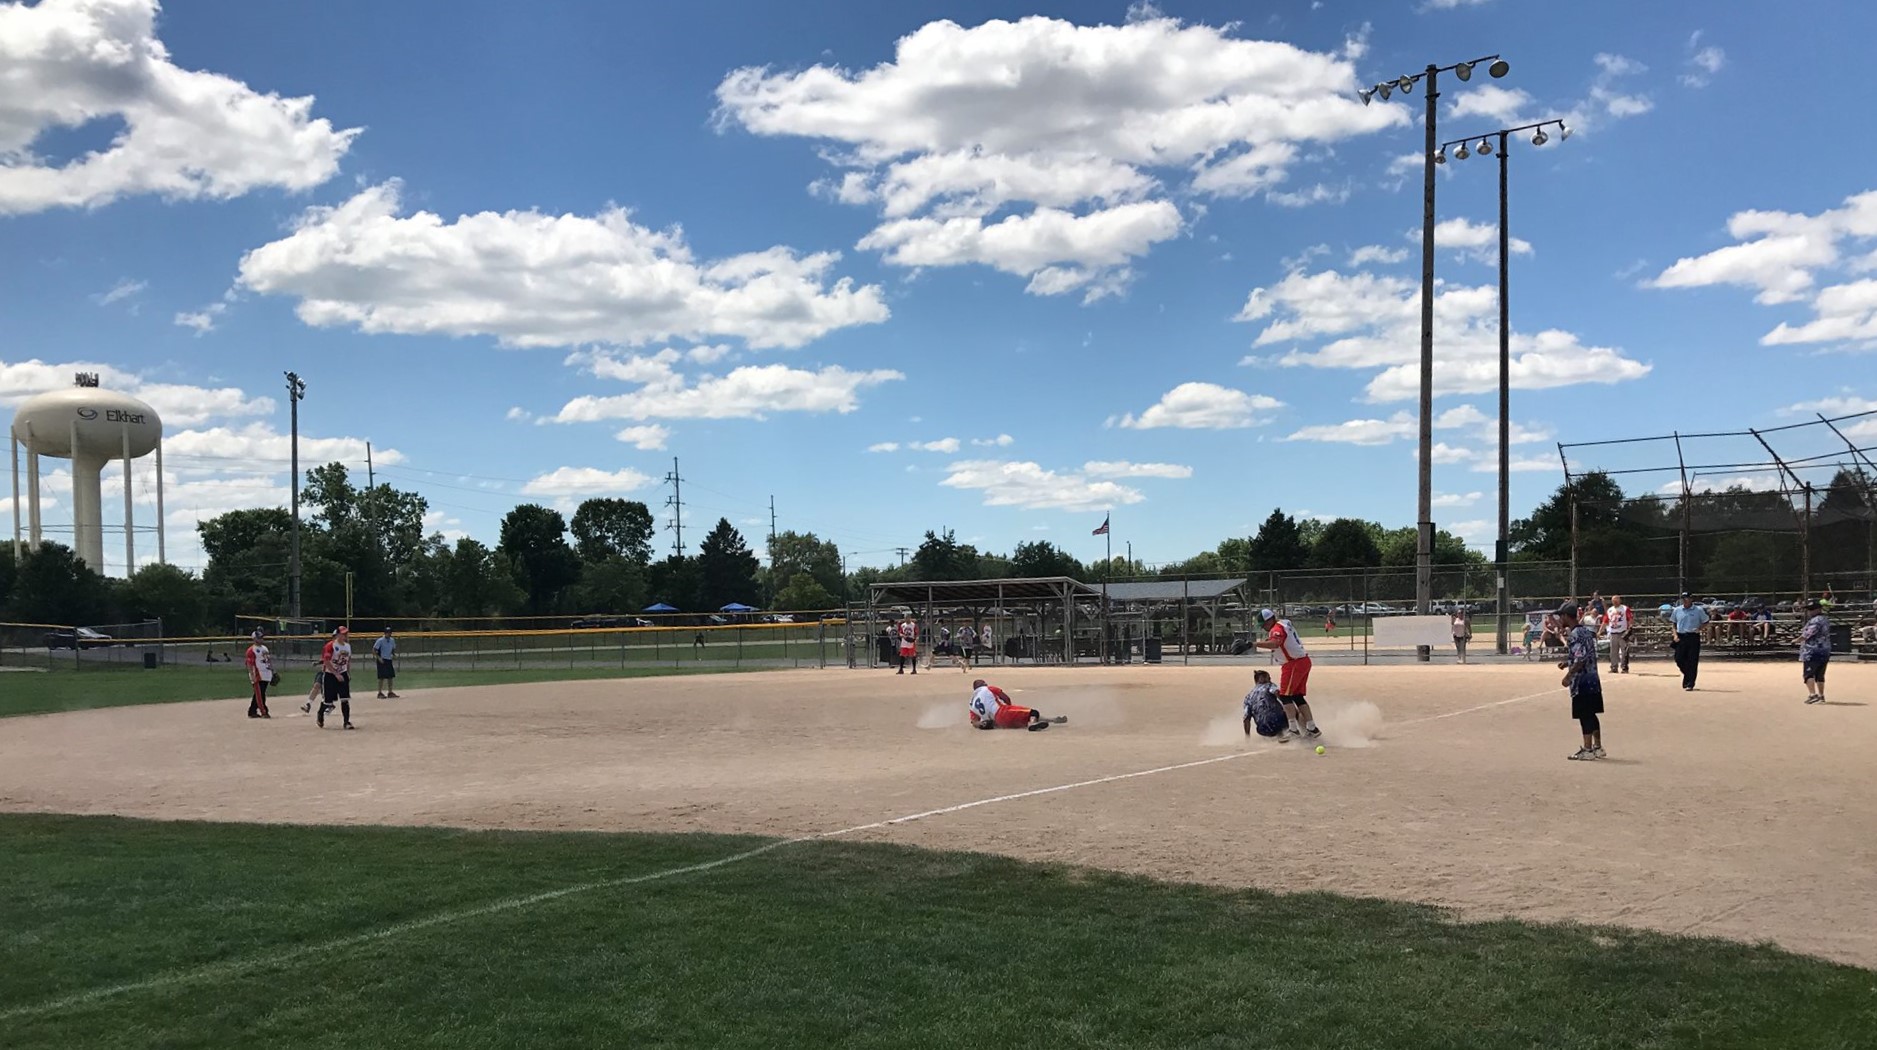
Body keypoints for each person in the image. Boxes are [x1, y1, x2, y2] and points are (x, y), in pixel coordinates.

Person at [1253, 608, 1319, 739]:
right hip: (1302, 661)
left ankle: (1293, 729)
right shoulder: (1284, 623)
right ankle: (1312, 728)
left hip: (1293, 663)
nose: (1264, 628)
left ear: (1271, 619)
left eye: (1264, 624)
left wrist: (1252, 644)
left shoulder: (1277, 628)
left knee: (1284, 696)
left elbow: (1275, 643)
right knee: (1297, 697)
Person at [1556, 603, 1606, 761]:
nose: (1560, 619)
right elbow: (1584, 654)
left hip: (1582, 681)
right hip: (1593, 679)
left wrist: (1568, 676)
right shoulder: (1585, 631)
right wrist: (1567, 662)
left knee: (1584, 715)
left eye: (1561, 616)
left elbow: (1580, 660)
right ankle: (1598, 747)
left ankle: (1587, 749)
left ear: (1565, 616)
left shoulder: (1575, 635)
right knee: (1592, 713)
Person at [968, 679, 1065, 731]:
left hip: (997, 723)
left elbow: (974, 722)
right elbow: (1005, 698)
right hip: (1002, 712)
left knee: (1024, 716)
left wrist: (981, 724)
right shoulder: (988, 688)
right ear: (984, 684)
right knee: (1033, 712)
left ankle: (1053, 720)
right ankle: (1032, 724)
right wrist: (1009, 707)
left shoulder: (971, 703)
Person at [315, 626, 356, 730]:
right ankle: (320, 714)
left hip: (343, 673)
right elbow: (326, 661)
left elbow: (348, 660)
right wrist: (336, 674)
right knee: (328, 701)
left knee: (345, 699)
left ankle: (346, 722)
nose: (345, 635)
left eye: (346, 633)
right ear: (337, 635)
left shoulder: (348, 646)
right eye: (343, 634)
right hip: (330, 675)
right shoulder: (331, 646)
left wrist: (348, 672)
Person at [1669, 593, 1710, 691]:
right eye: (1683, 598)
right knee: (1679, 659)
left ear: (1691, 599)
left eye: (1687, 598)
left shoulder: (1698, 610)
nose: (1685, 600)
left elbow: (1706, 621)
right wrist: (1675, 635)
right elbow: (1673, 624)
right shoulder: (1677, 610)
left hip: (1692, 636)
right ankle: (1688, 675)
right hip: (1681, 636)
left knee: (1692, 660)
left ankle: (1690, 683)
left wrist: (1699, 629)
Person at [1801, 598, 1831, 705]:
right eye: (1809, 609)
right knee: (1820, 674)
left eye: (1812, 609)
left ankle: (1812, 695)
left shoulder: (1815, 620)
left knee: (1808, 674)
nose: (1810, 611)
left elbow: (1808, 633)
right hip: (1825, 650)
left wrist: (1797, 639)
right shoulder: (1825, 619)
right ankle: (1821, 695)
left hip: (1813, 651)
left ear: (1818, 609)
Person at [1242, 669, 1286, 739]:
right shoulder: (1269, 685)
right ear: (1264, 679)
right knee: (1290, 709)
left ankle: (1272, 737)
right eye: (1269, 678)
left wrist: (1247, 737)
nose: (1270, 679)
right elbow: (1276, 692)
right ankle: (1294, 732)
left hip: (1262, 730)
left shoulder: (1248, 697)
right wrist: (1285, 703)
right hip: (1279, 723)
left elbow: (1246, 719)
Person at [244, 629, 274, 719]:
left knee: (261, 693)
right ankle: (264, 711)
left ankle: (252, 711)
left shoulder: (265, 648)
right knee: (259, 694)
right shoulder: (251, 650)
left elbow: (268, 660)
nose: (261, 639)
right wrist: (252, 674)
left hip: (266, 674)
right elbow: (249, 663)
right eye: (259, 638)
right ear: (254, 639)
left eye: (261, 637)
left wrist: (273, 671)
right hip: (257, 674)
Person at [1603, 594, 1633, 674]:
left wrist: (1630, 628)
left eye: (1616, 600)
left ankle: (1624, 667)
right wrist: (1599, 631)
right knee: (1613, 652)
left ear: (1620, 600)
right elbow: (1605, 621)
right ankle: (1614, 667)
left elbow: (1630, 619)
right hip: (1613, 632)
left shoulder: (1625, 608)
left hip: (1622, 632)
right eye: (1613, 601)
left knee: (1624, 651)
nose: (1615, 602)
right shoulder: (1610, 610)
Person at [372, 627, 401, 699]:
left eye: (390, 632)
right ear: (385, 633)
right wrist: (379, 658)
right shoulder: (380, 640)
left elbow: (392, 649)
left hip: (388, 659)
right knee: (381, 677)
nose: (389, 634)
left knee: (390, 676)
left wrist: (394, 655)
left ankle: (390, 692)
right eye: (387, 632)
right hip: (381, 659)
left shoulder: (392, 640)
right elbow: (374, 650)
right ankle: (379, 693)